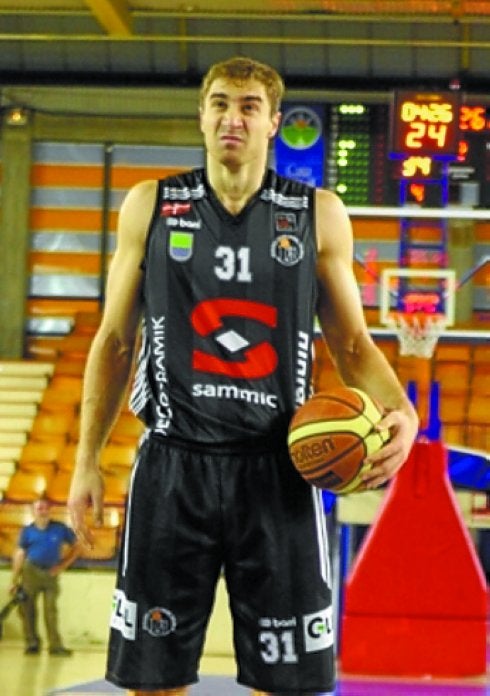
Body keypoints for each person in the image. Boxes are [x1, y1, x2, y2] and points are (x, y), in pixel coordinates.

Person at [68, 56, 419, 696]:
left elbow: (352, 343)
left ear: (273, 122)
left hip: (278, 472)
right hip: (172, 466)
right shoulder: (150, 205)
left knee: (289, 685)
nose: (233, 117)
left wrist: (405, 412)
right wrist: (85, 461)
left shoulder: (318, 213)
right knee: (152, 682)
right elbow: (115, 341)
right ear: (201, 116)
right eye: (221, 103)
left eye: (250, 106)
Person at [10, 495, 80, 655]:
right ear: (33, 511)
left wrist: (62, 566)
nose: (42, 511)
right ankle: (32, 643)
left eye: (45, 508)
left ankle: (55, 646)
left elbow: (77, 547)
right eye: (39, 508)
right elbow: (20, 554)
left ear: (50, 510)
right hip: (30, 571)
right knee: (28, 610)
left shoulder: (60, 528)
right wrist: (14, 580)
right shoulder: (27, 531)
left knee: (51, 611)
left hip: (51, 573)